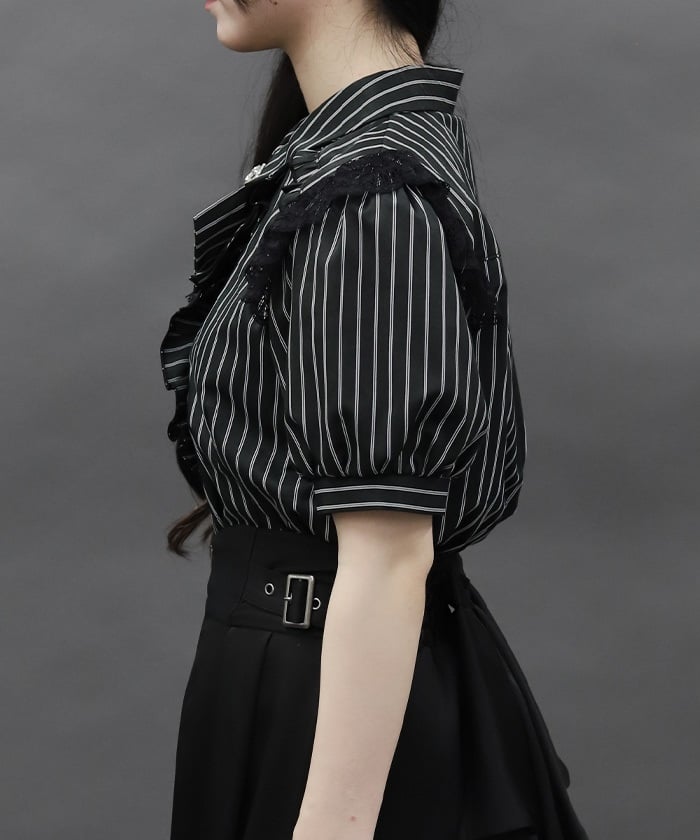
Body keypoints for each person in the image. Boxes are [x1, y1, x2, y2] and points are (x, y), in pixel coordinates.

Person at [159, 2, 592, 839]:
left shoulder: (373, 190)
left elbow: (389, 555)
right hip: (296, 675)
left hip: (326, 688)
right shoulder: (344, 159)